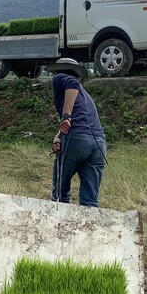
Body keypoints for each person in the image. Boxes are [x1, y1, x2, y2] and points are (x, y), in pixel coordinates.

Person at [46, 58, 107, 208]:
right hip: (98, 143)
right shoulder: (84, 93)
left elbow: (71, 84)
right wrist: (59, 136)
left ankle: (59, 226)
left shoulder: (61, 79)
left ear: (57, 71)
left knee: (60, 194)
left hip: (77, 139)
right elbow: (83, 119)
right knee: (90, 201)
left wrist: (66, 117)